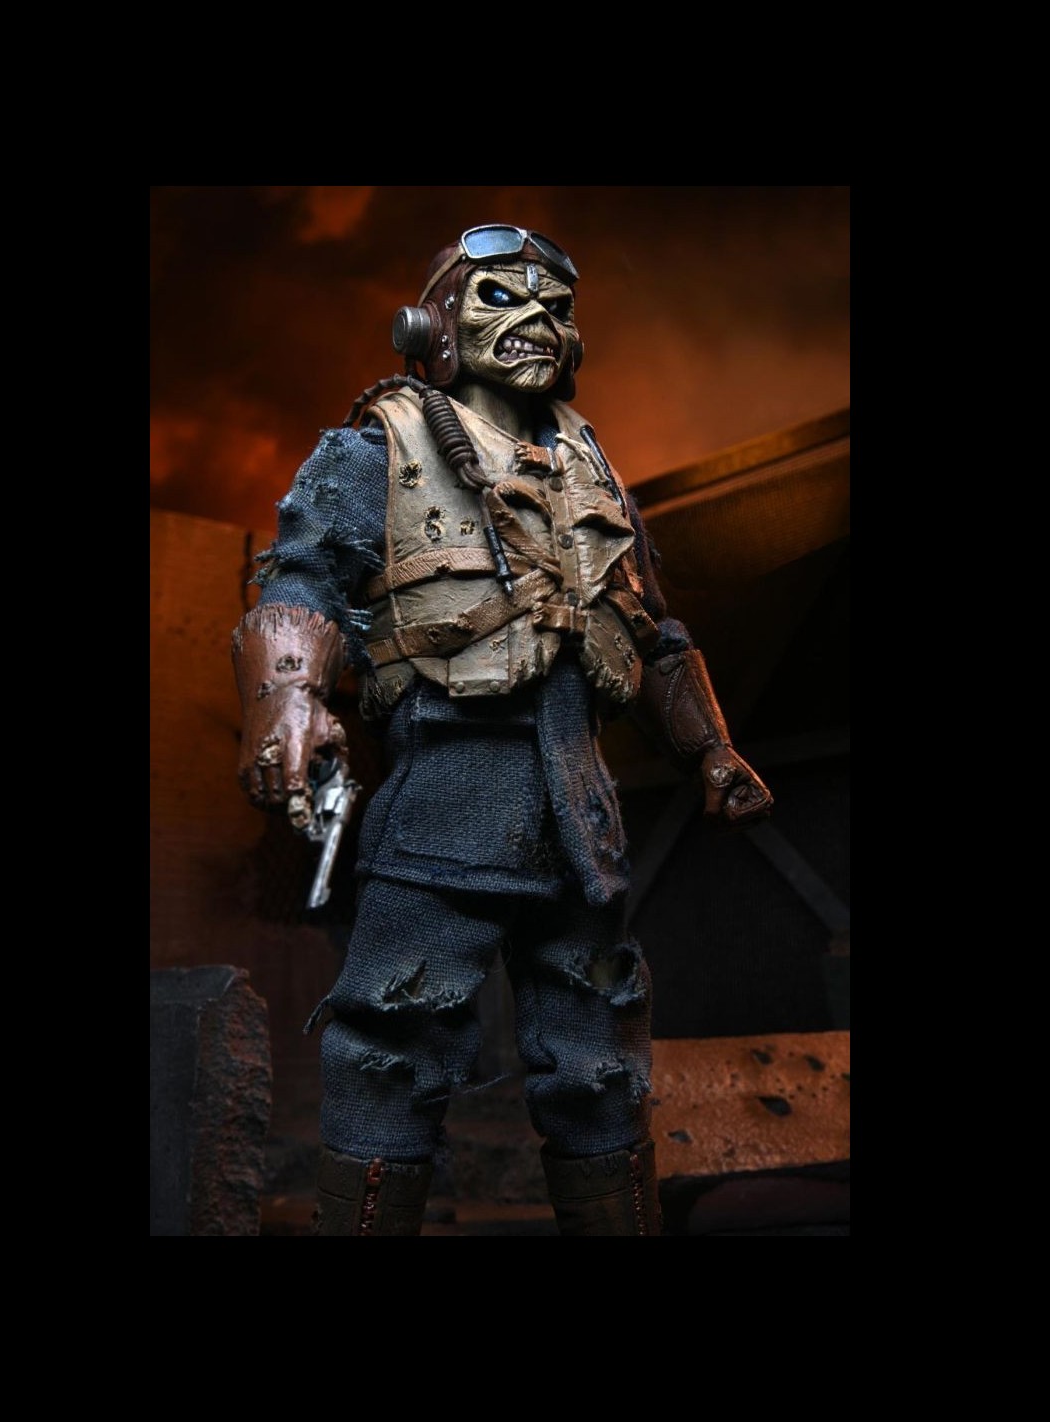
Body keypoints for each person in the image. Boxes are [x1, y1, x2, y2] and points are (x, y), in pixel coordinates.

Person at [231, 225, 772, 1236]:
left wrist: (710, 749)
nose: (537, 322)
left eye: (556, 308)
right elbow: (300, 581)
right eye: (500, 297)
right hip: (441, 820)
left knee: (600, 1069)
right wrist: (288, 700)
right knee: (388, 1058)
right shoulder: (373, 452)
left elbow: (650, 630)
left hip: (581, 835)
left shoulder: (592, 472)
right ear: (431, 323)